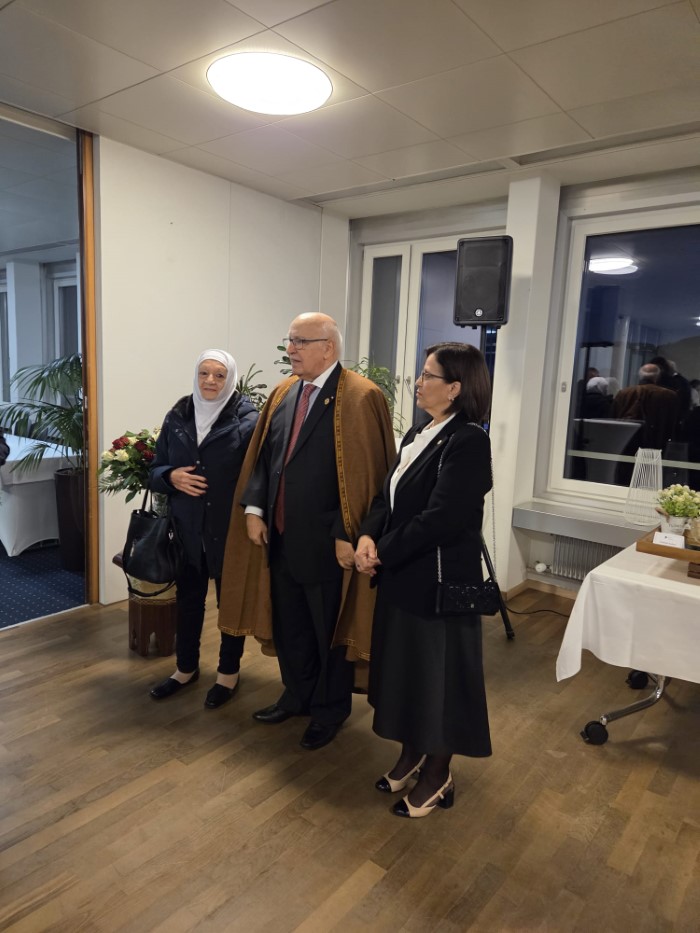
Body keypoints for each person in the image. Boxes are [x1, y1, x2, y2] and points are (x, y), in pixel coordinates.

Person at [217, 313, 396, 751]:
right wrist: (254, 509)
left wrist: (347, 533)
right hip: (279, 537)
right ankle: (296, 696)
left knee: (327, 630)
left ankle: (329, 710)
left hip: (328, 544)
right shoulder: (284, 392)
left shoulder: (360, 396)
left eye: (300, 341)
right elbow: (265, 458)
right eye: (290, 340)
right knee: (291, 625)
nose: (290, 349)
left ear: (328, 348)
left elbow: (369, 477)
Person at [355, 342, 493, 820]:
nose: (418, 382)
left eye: (428, 375)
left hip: (438, 586)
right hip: (402, 577)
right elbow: (387, 496)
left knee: (438, 685)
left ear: (454, 388)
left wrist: (381, 552)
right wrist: (368, 536)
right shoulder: (420, 431)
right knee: (408, 676)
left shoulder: (469, 441)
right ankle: (412, 754)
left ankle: (438, 774)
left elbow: (442, 519)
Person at [149, 349, 258, 707]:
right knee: (189, 602)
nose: (210, 381)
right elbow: (155, 468)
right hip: (186, 529)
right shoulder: (178, 415)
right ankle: (185, 669)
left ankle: (228, 674)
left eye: (219, 375)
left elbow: (260, 475)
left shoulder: (248, 420)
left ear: (231, 379)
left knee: (230, 605)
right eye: (204, 373)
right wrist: (171, 476)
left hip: (230, 530)